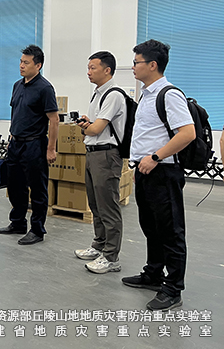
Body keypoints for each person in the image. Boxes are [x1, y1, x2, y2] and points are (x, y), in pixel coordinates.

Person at [123, 39, 195, 311]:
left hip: (163, 172)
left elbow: (187, 133)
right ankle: (153, 273)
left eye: (136, 62)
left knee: (171, 231)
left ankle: (173, 289)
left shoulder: (169, 94)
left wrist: (154, 157)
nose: (133, 67)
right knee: (151, 227)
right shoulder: (147, 95)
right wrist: (140, 164)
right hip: (145, 171)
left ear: (152, 65)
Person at [0, 45, 59, 245]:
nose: (21, 66)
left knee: (38, 189)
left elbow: (54, 120)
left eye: (26, 62)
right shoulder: (17, 85)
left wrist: (51, 149)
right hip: (16, 143)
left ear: (38, 65)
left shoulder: (45, 88)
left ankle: (37, 230)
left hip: (35, 145)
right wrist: (11, 137)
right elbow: (16, 114)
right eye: (21, 62)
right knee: (15, 186)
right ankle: (17, 223)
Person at [75, 51, 126, 273]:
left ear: (107, 70)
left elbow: (96, 129)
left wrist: (86, 126)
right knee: (96, 204)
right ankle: (99, 245)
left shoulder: (113, 95)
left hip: (106, 155)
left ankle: (111, 257)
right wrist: (88, 124)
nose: (88, 72)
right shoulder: (98, 94)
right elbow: (95, 126)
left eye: (93, 68)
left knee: (108, 207)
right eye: (88, 67)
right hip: (93, 153)